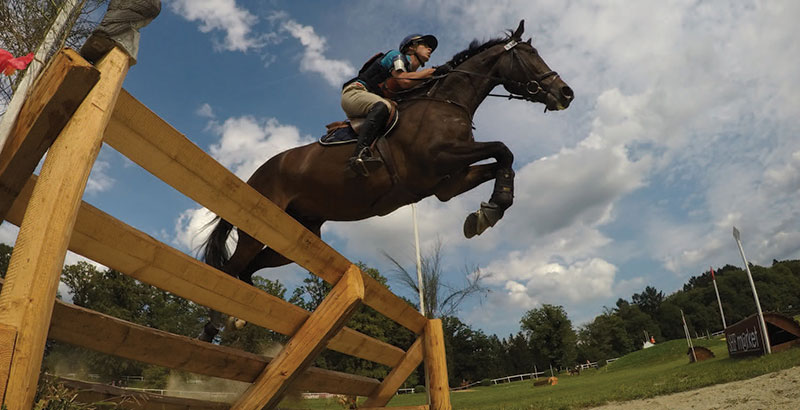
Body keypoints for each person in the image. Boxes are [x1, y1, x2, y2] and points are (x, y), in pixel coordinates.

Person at [341, 34, 439, 175]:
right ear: (411, 47)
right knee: (384, 106)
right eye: (425, 44)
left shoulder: (412, 75)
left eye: (431, 48)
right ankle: (358, 155)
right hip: (355, 92)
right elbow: (403, 80)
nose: (430, 49)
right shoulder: (397, 56)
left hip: (370, 100)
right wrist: (431, 72)